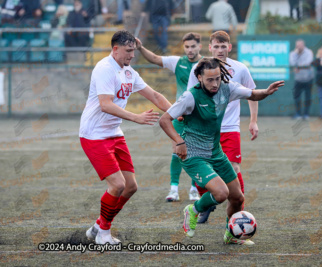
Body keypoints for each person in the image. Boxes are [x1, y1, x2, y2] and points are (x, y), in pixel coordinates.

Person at [159, 57, 284, 245]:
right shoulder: (190, 96)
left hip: (216, 153)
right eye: (210, 79)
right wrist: (178, 142)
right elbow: (164, 120)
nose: (215, 83)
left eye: (218, 78)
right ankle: (193, 210)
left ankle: (231, 235)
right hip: (193, 155)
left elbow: (252, 94)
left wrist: (266, 92)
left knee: (237, 197)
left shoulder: (227, 88)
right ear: (199, 77)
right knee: (221, 194)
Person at [80, 30, 172, 245]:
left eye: (133, 51)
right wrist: (136, 117)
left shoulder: (129, 71)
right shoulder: (104, 68)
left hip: (114, 134)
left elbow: (155, 96)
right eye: (128, 51)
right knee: (117, 185)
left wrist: (178, 114)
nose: (132, 55)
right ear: (115, 49)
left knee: (130, 187)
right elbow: (105, 104)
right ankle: (104, 233)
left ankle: (97, 226)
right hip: (94, 135)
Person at [187, 31, 259, 224]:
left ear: (229, 47)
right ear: (210, 48)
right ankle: (206, 203)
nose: (220, 50)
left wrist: (253, 121)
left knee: (234, 168)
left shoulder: (240, 69)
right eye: (216, 46)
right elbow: (189, 100)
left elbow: (252, 94)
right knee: (204, 174)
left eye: (223, 46)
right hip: (203, 131)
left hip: (229, 128)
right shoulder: (199, 69)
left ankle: (236, 216)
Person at [136, 32, 203, 202]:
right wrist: (141, 47)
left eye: (193, 46)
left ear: (200, 46)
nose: (190, 49)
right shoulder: (178, 62)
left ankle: (194, 189)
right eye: (187, 46)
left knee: (197, 153)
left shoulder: (206, 64)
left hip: (200, 116)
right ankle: (173, 189)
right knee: (176, 152)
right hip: (180, 115)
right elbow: (155, 59)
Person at [289, 39, 314, 120]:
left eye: (300, 45)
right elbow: (292, 63)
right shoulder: (293, 53)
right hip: (298, 79)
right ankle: (298, 114)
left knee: (307, 97)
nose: (298, 47)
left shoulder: (309, 52)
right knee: (297, 97)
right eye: (297, 45)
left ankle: (306, 115)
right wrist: (296, 55)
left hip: (308, 79)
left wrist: (298, 67)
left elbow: (308, 63)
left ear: (303, 45)